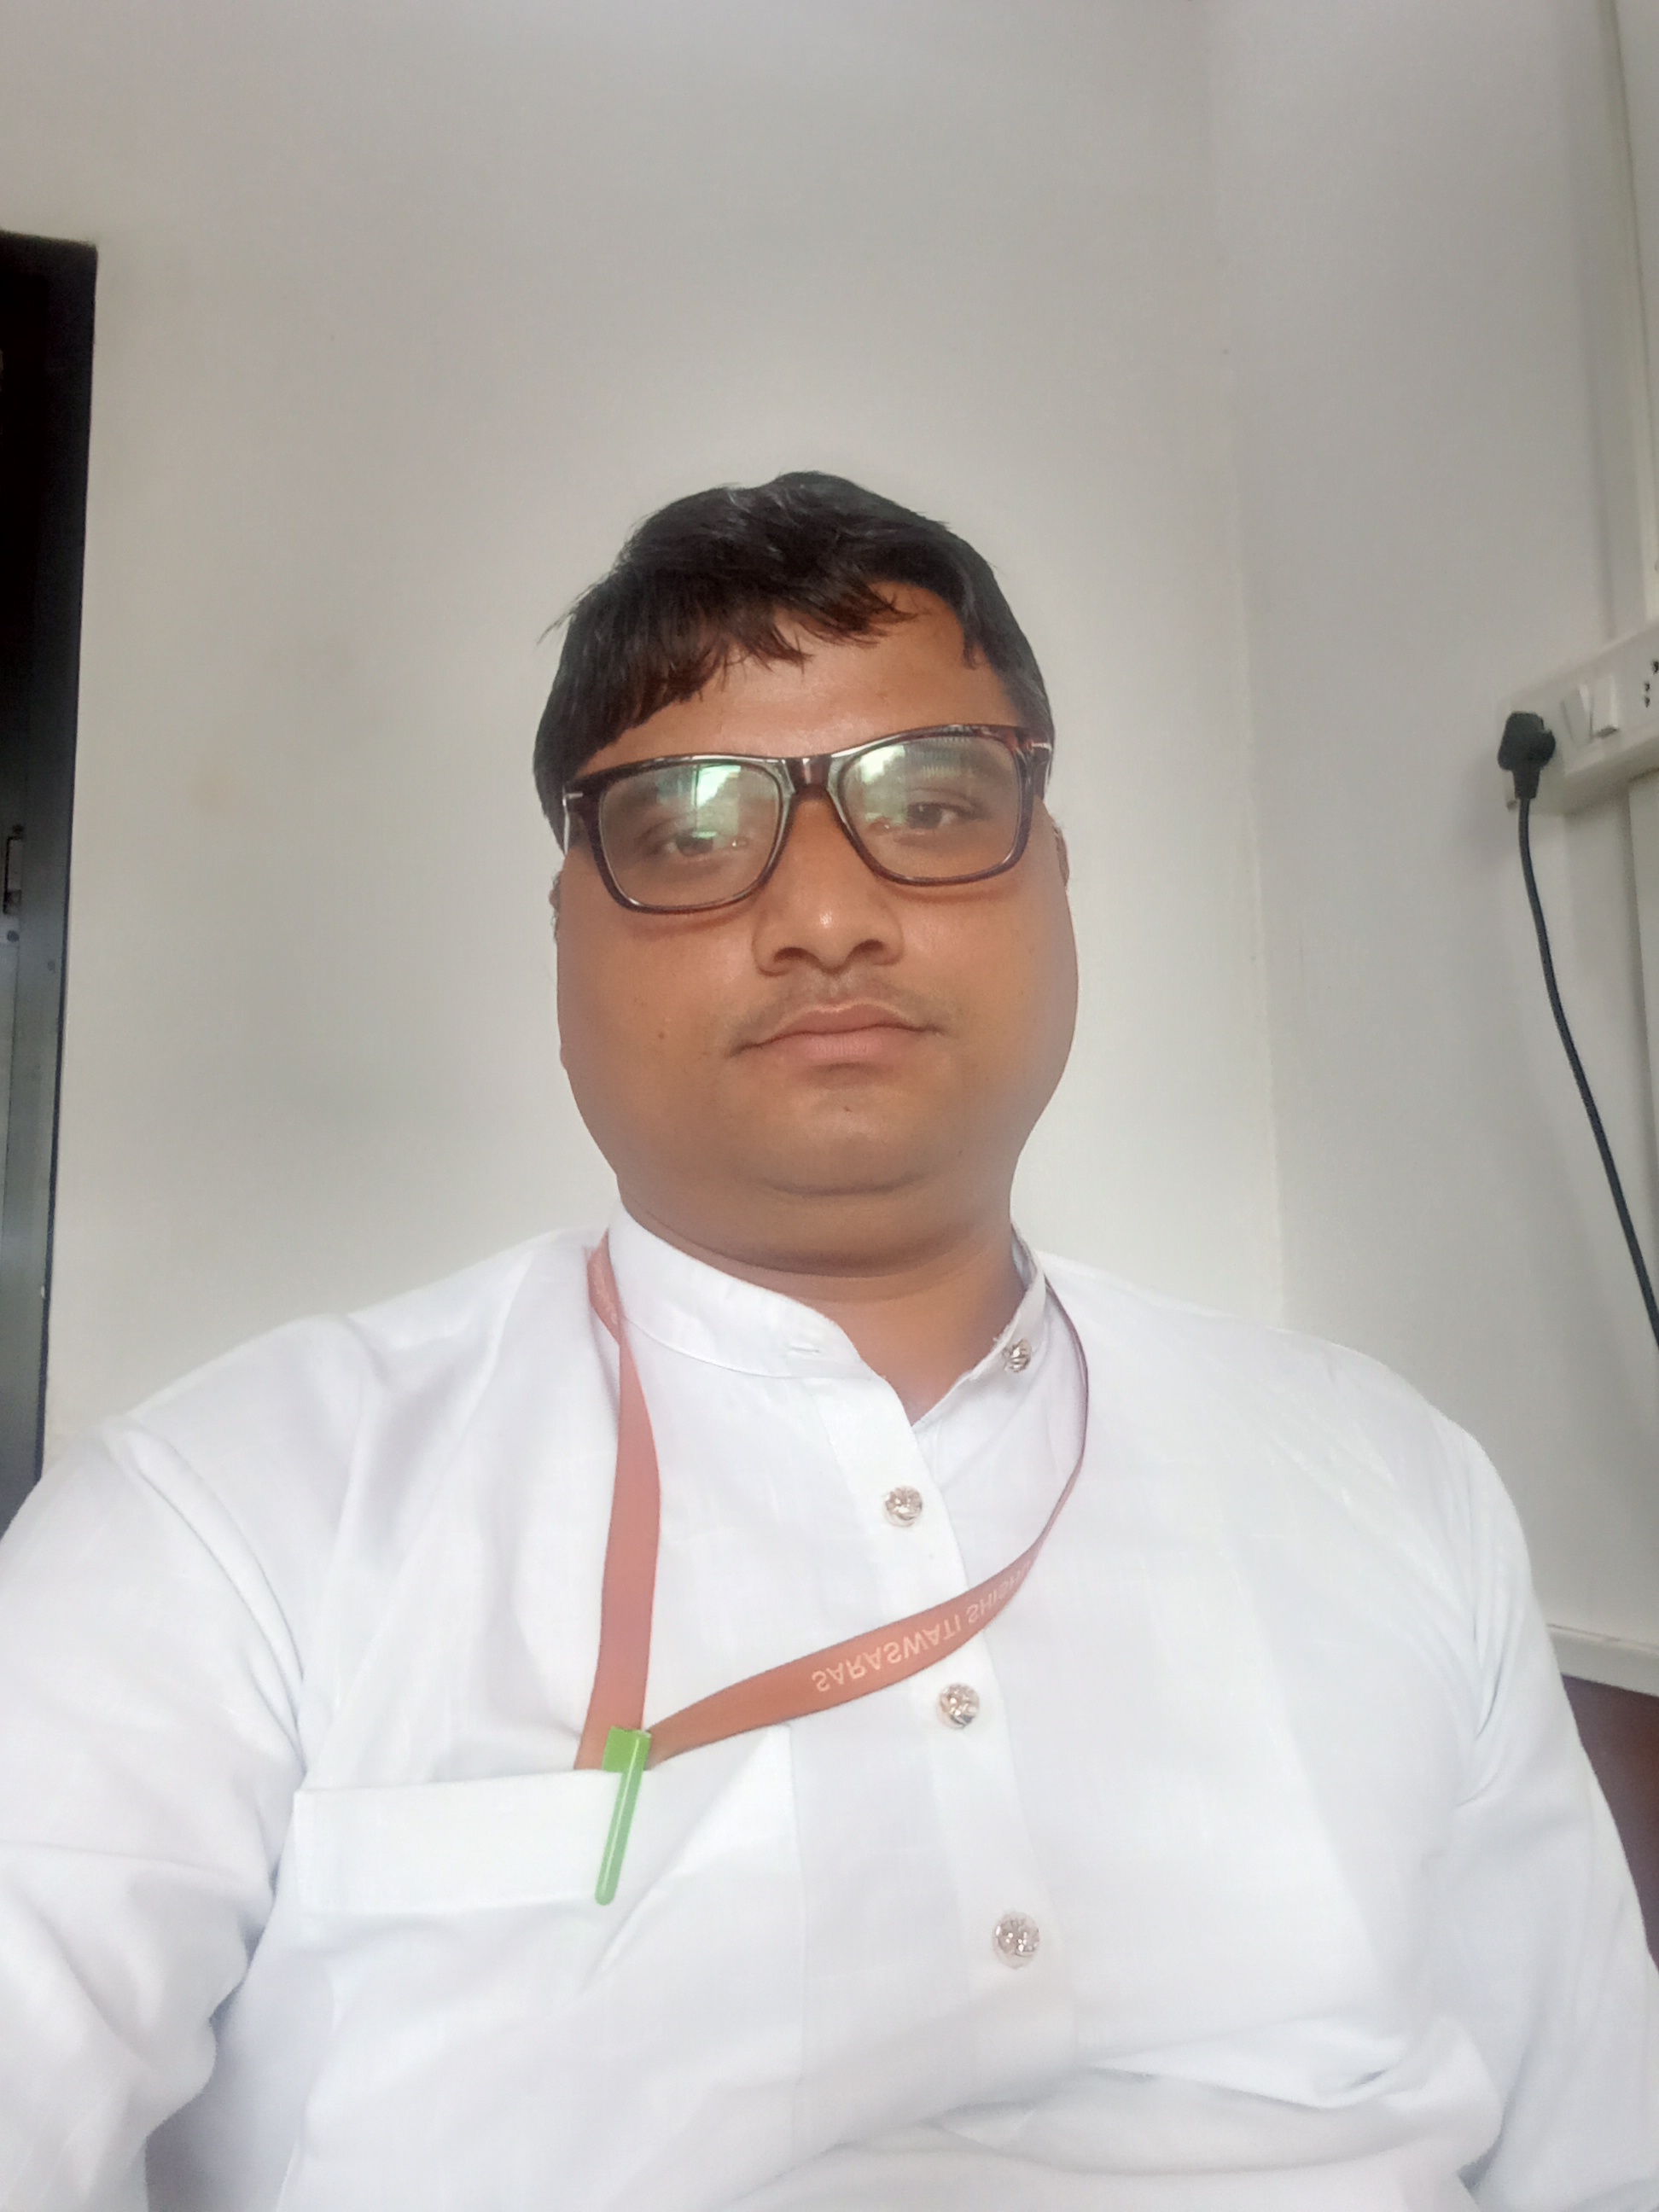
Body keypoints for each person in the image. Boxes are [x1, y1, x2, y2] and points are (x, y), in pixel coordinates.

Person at [0, 472, 1655, 2212]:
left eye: (931, 803)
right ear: (565, 938)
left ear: (1056, 877)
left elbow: (1601, 2159)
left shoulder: (1392, 1479)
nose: (825, 916)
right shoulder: (226, 1526)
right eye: (688, 831)